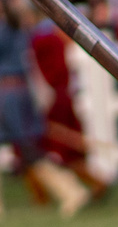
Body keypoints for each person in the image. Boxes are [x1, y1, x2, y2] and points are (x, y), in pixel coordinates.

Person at [0, 0, 84, 219]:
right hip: (20, 91)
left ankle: (71, 192)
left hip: (8, 92)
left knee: (21, 148)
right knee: (4, 146)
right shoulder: (23, 26)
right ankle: (69, 191)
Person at [28, 10, 108, 201]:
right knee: (58, 149)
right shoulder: (49, 39)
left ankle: (94, 184)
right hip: (59, 96)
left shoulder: (41, 40)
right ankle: (44, 197)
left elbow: (43, 75)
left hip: (52, 99)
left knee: (49, 149)